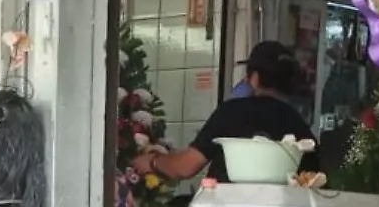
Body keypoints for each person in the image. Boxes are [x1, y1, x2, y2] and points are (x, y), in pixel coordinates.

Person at [133, 41, 318, 184]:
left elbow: (186, 166)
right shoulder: (299, 126)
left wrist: (152, 162)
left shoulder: (232, 113)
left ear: (254, 78)